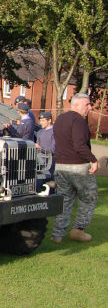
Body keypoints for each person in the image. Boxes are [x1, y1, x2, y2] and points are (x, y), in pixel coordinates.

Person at [50, 93, 97, 243]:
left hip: (60, 167)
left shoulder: (60, 119)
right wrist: (93, 160)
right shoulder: (79, 121)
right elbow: (79, 145)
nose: (90, 107)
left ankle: (57, 235)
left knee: (64, 200)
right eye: (87, 104)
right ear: (76, 105)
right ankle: (79, 230)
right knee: (89, 198)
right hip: (79, 167)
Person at [35, 111, 55, 175]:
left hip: (50, 162)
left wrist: (40, 148)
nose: (41, 123)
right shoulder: (40, 132)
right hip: (40, 162)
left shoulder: (54, 132)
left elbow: (53, 150)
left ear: (49, 120)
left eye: (43, 121)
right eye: (40, 121)